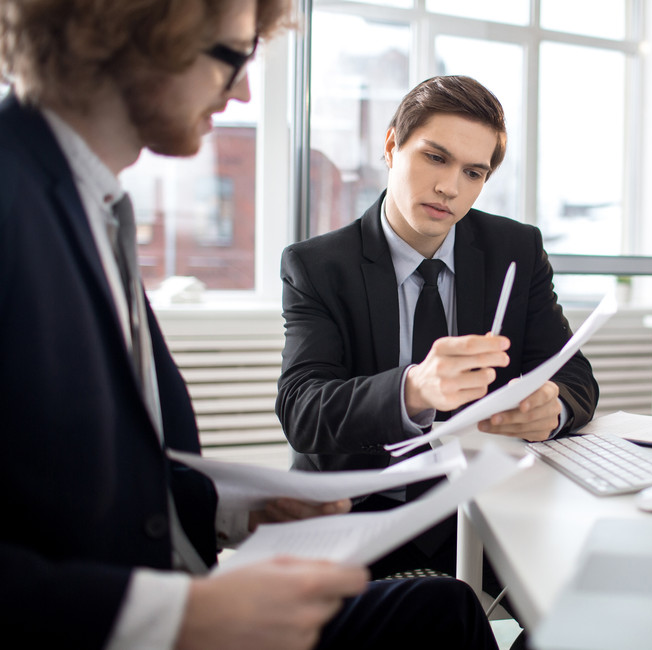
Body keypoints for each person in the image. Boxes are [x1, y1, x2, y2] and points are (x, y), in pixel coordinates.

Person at [0, 1, 496, 648]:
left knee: (443, 609)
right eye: (231, 56)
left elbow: (98, 467)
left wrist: (239, 510)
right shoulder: (15, 201)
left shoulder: (94, 203)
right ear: (123, 31)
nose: (245, 90)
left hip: (179, 585)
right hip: (113, 620)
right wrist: (179, 618)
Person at [276, 75, 600, 579]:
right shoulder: (318, 265)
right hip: (362, 514)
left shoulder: (515, 250)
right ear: (391, 146)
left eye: (473, 172)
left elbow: (574, 374)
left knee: (586, 601)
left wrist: (551, 407)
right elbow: (302, 408)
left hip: (484, 506)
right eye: (435, 158)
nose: (450, 187)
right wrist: (413, 390)